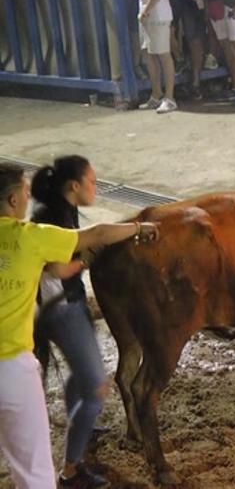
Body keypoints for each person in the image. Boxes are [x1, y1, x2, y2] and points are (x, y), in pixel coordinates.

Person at [0, 163, 158, 489]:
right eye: (24, 194)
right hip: (11, 368)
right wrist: (139, 227)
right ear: (13, 201)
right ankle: (71, 467)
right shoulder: (29, 237)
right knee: (34, 472)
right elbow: (97, 235)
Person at [27, 157, 108, 488]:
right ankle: (71, 468)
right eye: (91, 180)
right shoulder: (53, 216)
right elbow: (58, 268)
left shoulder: (60, 208)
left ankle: (82, 426)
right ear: (74, 185)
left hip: (65, 304)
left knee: (80, 374)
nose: (96, 187)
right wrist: (87, 257)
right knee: (97, 388)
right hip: (61, 309)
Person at [138, 0, 178, 113]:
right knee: (150, 55)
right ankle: (156, 94)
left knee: (164, 56)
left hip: (158, 15)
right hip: (147, 16)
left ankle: (170, 98)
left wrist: (145, 11)